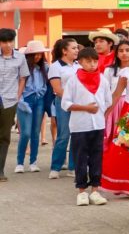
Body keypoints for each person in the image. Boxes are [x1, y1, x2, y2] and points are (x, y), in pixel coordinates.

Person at [60, 47, 111, 206]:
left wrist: (101, 114)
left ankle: (95, 190)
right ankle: (81, 191)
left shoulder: (102, 79)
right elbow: (65, 104)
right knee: (81, 158)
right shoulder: (73, 80)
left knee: (97, 158)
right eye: (88, 61)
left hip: (98, 125)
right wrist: (86, 108)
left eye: (95, 61)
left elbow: (108, 101)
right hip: (80, 125)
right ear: (80, 62)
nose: (92, 64)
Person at [101, 40, 129, 197]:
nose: (125, 53)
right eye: (121, 50)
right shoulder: (125, 73)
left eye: (128, 50)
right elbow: (116, 94)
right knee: (128, 148)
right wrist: (104, 114)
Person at [14, 40, 50, 174]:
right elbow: (17, 85)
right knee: (25, 133)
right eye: (35, 54)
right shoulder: (21, 67)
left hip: (39, 101)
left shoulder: (45, 68)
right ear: (28, 55)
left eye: (40, 54)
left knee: (36, 133)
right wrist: (20, 100)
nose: (38, 57)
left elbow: (49, 85)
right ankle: (19, 162)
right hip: (25, 101)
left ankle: (33, 162)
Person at [48, 38, 80, 178]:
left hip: (78, 104)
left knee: (76, 135)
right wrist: (69, 102)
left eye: (77, 48)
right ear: (64, 51)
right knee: (64, 135)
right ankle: (56, 166)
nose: (77, 50)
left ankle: (73, 167)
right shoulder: (55, 66)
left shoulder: (79, 65)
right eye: (73, 48)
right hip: (63, 103)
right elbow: (57, 88)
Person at [0, 29, 29, 182]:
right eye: (4, 42)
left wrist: (17, 96)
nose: (8, 45)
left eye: (10, 41)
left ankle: (0, 171)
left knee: (4, 136)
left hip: (9, 101)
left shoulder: (20, 57)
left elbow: (22, 78)